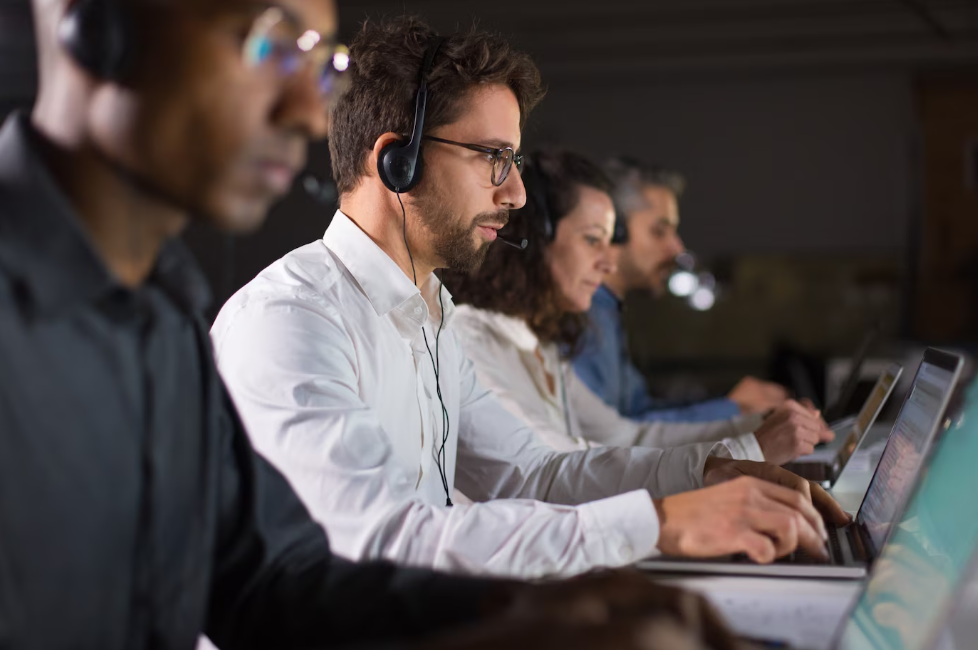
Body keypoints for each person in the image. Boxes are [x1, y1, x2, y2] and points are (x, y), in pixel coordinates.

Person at [0, 0, 745, 648]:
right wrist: (645, 529)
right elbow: (366, 545)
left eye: (317, 62)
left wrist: (547, 611)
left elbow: (274, 583)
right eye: (265, 41)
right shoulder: (282, 319)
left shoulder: (159, 321)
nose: (303, 107)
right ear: (97, 29)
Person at [212, 15, 849, 583]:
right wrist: (659, 524)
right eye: (494, 158)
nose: (515, 194)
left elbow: (532, 475)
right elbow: (380, 542)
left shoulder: (431, 314)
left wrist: (712, 474)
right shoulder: (291, 320)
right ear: (395, 162)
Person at [444, 149, 834, 469]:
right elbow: (553, 472)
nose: (608, 263)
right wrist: (747, 448)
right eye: (593, 240)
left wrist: (754, 427)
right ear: (535, 240)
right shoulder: (473, 340)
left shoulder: (539, 345)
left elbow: (626, 437)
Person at [572, 157, 791, 422]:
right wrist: (731, 409)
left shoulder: (607, 312)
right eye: (659, 231)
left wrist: (732, 403)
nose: (677, 248)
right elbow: (610, 435)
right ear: (613, 231)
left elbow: (637, 411)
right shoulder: (580, 314)